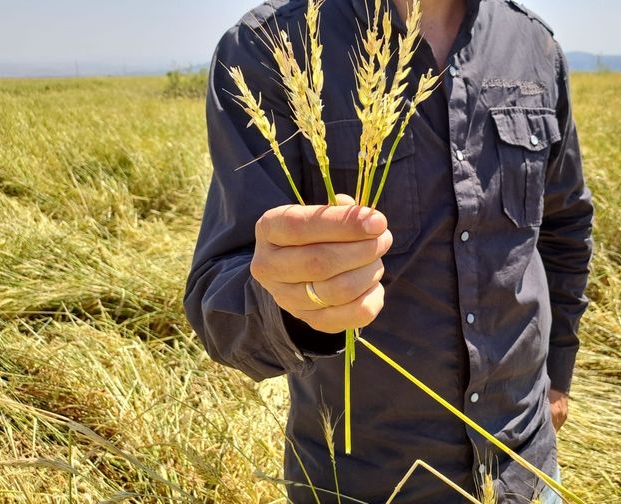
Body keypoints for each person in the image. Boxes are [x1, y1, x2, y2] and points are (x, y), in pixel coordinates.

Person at [184, 0, 593, 501]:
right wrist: (295, 302)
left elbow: (563, 227)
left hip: (526, 467)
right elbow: (219, 301)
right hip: (363, 480)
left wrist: (558, 373)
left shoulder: (533, 44)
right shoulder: (268, 49)